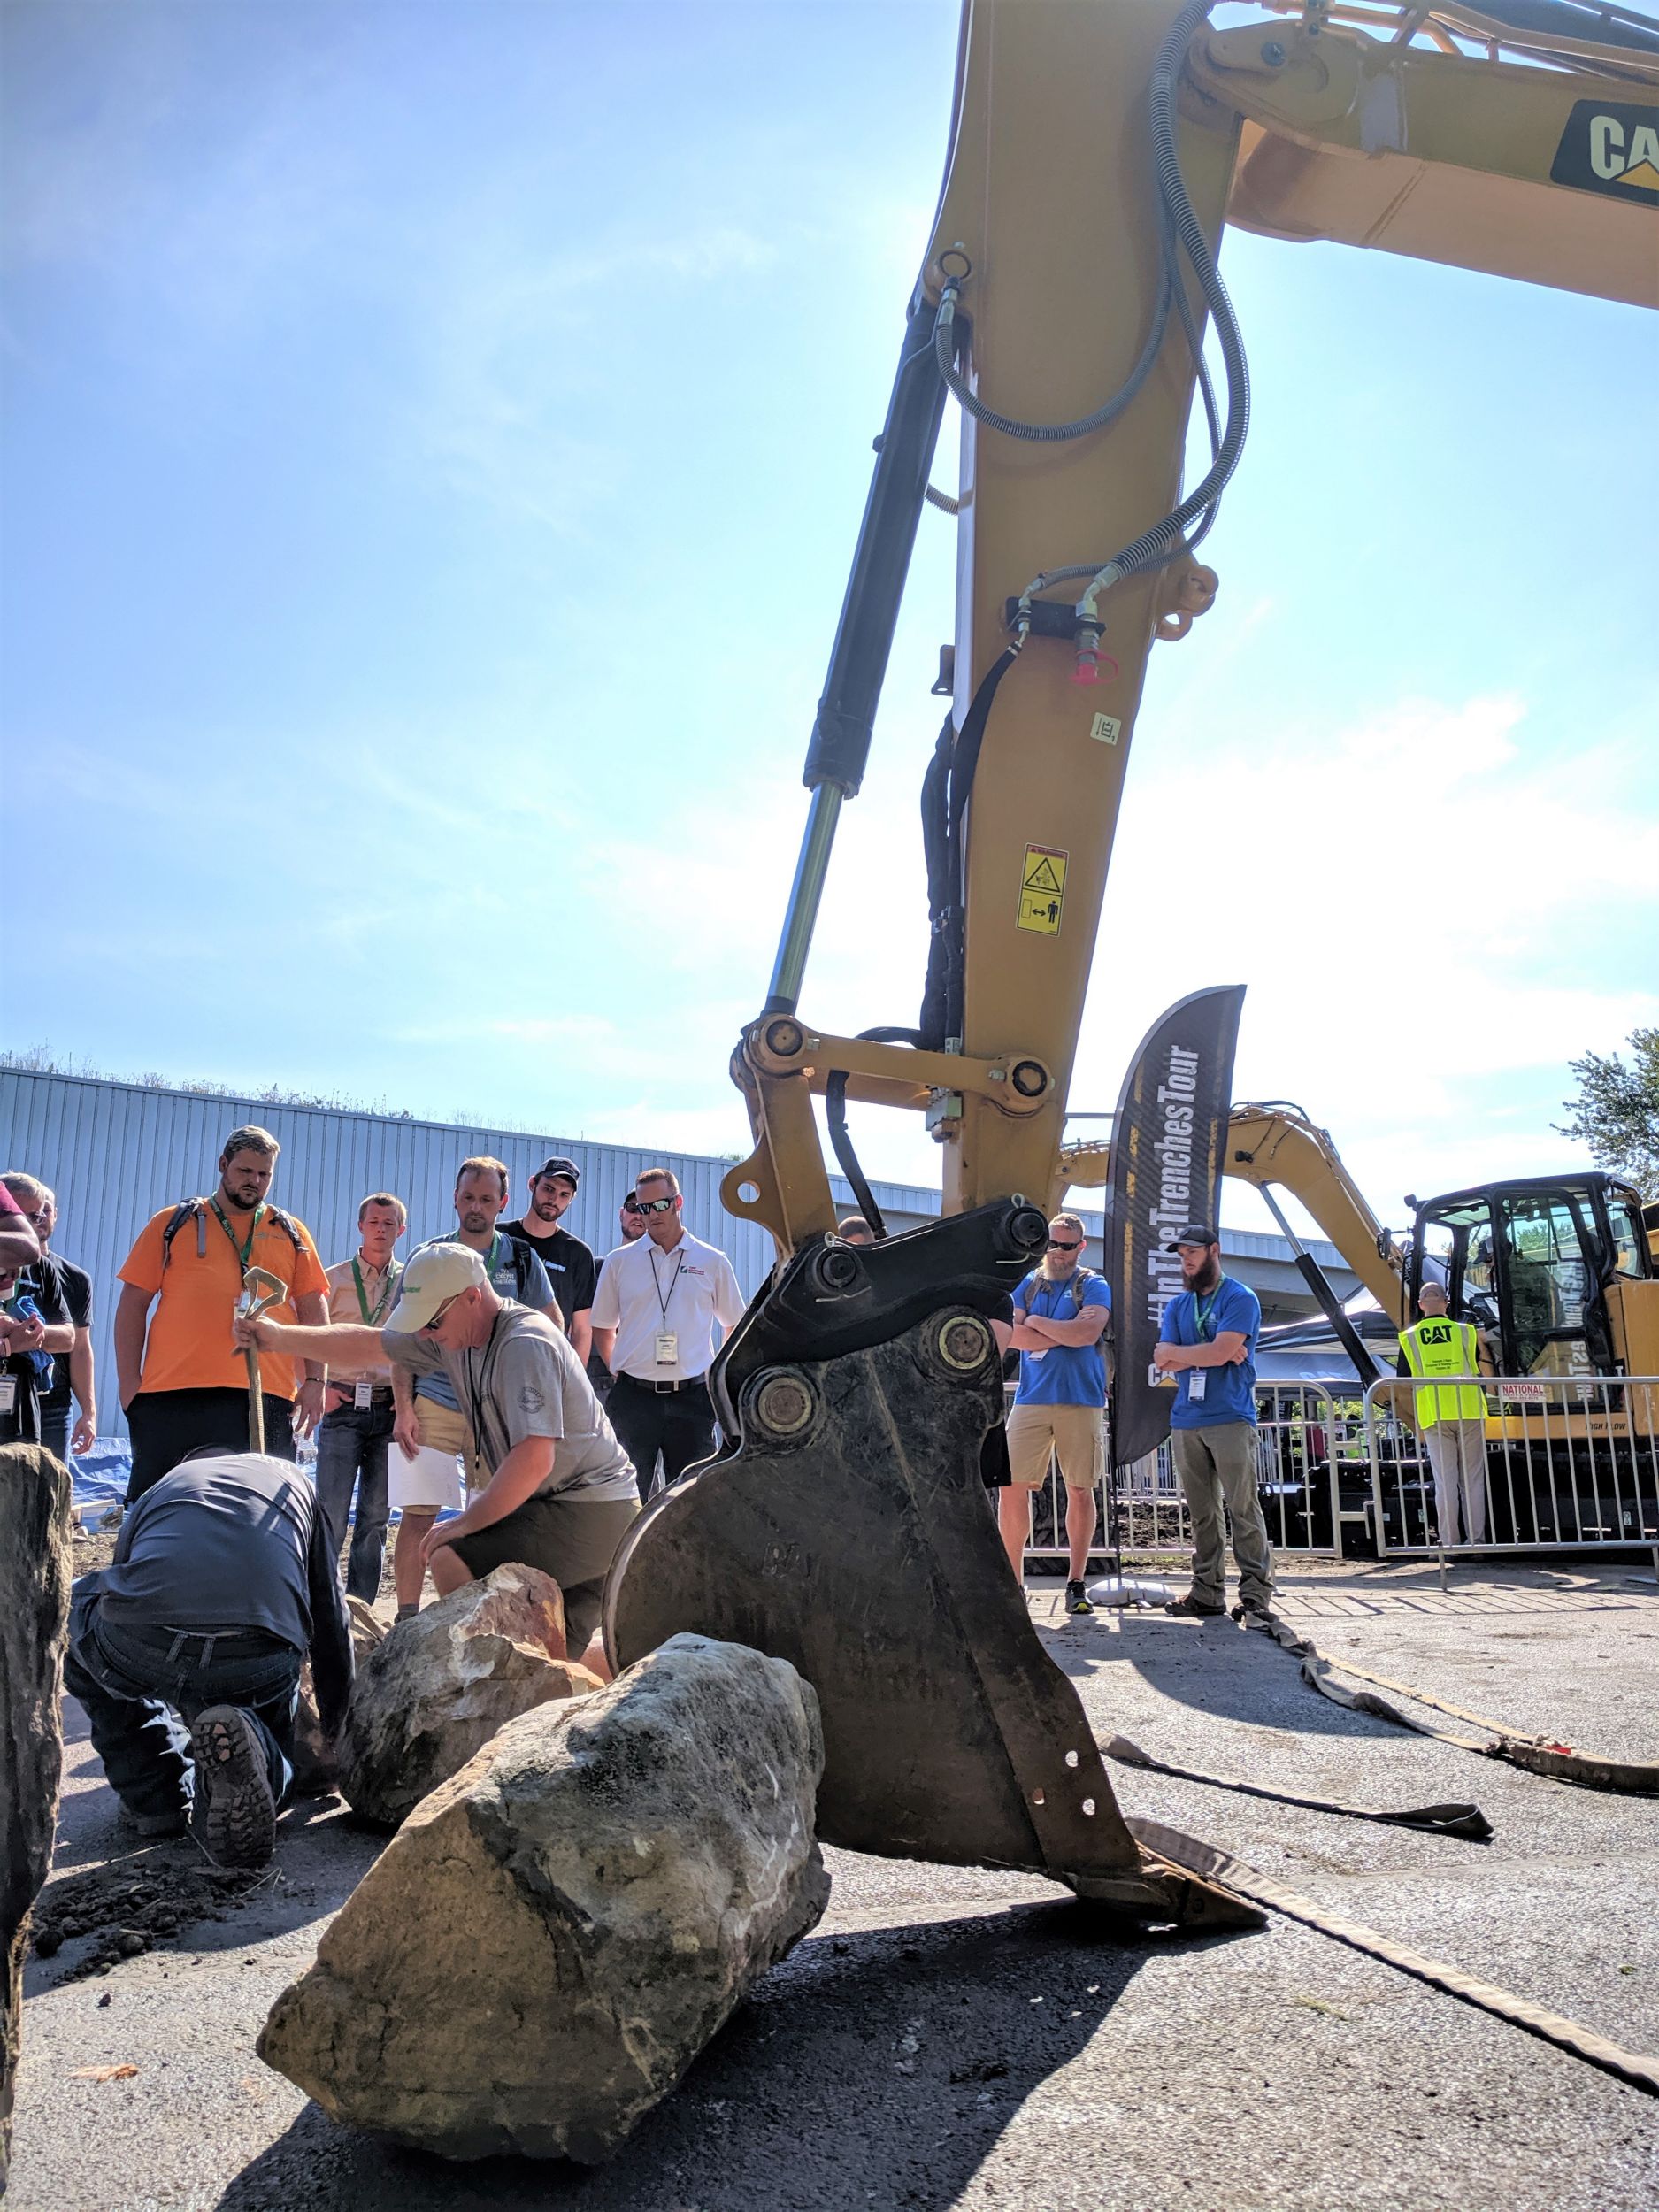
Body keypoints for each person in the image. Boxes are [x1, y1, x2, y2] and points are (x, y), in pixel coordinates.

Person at [237, 1243, 638, 1665]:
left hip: (591, 1508)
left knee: (450, 1556)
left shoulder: (524, 1343)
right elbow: (371, 1345)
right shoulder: (456, 1334)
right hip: (568, 1506)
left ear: (472, 1296)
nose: (426, 1333)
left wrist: (464, 1522)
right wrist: (279, 1337)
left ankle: (477, 1679)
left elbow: (535, 1458)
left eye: (432, 1321)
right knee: (560, 1660)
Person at [65, 1447, 353, 1867]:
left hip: (144, 1643)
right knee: (267, 1745)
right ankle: (260, 1758)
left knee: (76, 1617)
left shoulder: (164, 1488)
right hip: (256, 1656)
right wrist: (337, 1726)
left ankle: (156, 1796)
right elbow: (331, 1617)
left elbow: (117, 1590)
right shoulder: (296, 1483)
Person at [113, 1127, 330, 1502]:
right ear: (223, 1164)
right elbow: (133, 1305)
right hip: (171, 1395)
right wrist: (129, 1386)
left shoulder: (291, 1232)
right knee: (158, 1510)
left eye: (264, 1174)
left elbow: (313, 1309)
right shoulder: (173, 1222)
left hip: (264, 1396)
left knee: (260, 1513)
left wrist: (316, 1380)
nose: (255, 1182)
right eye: (245, 1171)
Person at [388, 1157, 561, 1618]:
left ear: (503, 1203)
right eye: (468, 1197)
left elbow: (552, 1326)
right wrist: (403, 1408)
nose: (476, 1207)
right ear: (454, 1198)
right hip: (436, 1404)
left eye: (486, 1199)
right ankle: (406, 1618)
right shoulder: (428, 1257)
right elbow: (400, 1339)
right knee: (418, 1513)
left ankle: (485, 1621)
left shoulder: (521, 1258)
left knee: (493, 1515)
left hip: (495, 1410)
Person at [590, 1167, 746, 1499]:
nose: (652, 1214)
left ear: (678, 1203)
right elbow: (602, 1325)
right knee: (626, 1496)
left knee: (691, 1499)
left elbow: (733, 1323)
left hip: (693, 1398)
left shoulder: (712, 1261)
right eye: (644, 1207)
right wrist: (618, 1370)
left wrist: (716, 1375)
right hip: (633, 1399)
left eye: (660, 1205)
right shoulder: (619, 1262)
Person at [1155, 1224, 1273, 1625]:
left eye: (1192, 1252)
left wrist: (1186, 1353)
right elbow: (1161, 1359)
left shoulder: (1239, 1297)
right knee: (1202, 1512)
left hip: (1230, 1417)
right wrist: (1211, 1352)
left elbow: (1211, 1353)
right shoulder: (1178, 1305)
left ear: (1214, 1251)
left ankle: (1256, 1595)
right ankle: (1206, 1593)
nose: (1185, 1260)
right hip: (1186, 1419)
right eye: (1181, 1254)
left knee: (1242, 1507)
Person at [1000, 1212, 1110, 1617]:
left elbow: (1087, 1335)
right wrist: (1061, 1331)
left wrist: (1036, 1322)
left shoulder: (1093, 1284)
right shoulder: (1027, 1283)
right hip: (1031, 1399)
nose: (1058, 1252)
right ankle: (1013, 1585)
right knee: (1010, 1486)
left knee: (1080, 1488)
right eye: (1052, 1243)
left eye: (1066, 1245)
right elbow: (1013, 1335)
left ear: (1081, 1247)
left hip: (1081, 1399)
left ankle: (1076, 1582)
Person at [314, 1193, 408, 1601]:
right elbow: (311, 1337)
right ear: (360, 1226)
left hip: (390, 1409)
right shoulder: (332, 1280)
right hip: (343, 1406)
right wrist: (319, 1386)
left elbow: (420, 1343)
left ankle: (360, 1607)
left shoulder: (411, 1284)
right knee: (331, 1514)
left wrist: (408, 1399)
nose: (381, 1230)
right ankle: (322, 1605)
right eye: (374, 1222)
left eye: (389, 1223)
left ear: (401, 1230)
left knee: (375, 1518)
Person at [2, 1174, 96, 1465]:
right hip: (10, 1397)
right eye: (27, 1216)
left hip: (47, 1403)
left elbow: (75, 1343)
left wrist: (89, 1412)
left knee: (41, 1485)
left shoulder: (57, 1273)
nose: (36, 1221)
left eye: (43, 1212)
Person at [1398, 1282, 1490, 1547]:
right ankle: (1477, 1542)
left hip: (1434, 1413)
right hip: (1468, 1409)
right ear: (1446, 1303)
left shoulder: (1409, 1337)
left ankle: (1450, 1542)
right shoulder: (1465, 1332)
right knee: (1472, 1480)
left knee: (1445, 1482)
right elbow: (1479, 1366)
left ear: (1420, 1305)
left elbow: (1404, 1379)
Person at [502, 1155, 597, 1366]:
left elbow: (582, 1330)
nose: (554, 1199)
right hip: (497, 1360)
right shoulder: (500, 1238)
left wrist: (574, 1379)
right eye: (548, 1189)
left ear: (571, 1199)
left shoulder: (578, 1253)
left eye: (564, 1194)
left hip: (548, 1365)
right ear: (532, 1184)